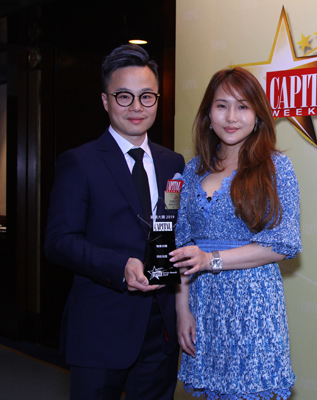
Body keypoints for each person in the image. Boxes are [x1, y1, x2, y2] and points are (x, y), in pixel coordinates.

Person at [45, 44, 185, 399]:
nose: (136, 107)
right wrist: (119, 266)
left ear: (157, 100)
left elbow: (172, 228)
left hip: (161, 330)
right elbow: (59, 241)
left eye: (146, 96)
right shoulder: (80, 162)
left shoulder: (173, 163)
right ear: (106, 101)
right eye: (124, 96)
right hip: (101, 328)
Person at [169, 67, 301, 399]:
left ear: (257, 116)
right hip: (203, 305)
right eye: (221, 105)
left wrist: (210, 259)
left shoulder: (276, 167)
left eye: (242, 106)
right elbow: (181, 245)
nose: (231, 117)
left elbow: (282, 244)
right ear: (207, 115)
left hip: (252, 303)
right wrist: (182, 310)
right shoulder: (192, 169)